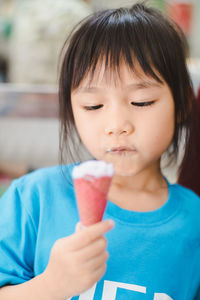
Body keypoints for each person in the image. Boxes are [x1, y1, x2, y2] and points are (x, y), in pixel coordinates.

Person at [0, 3, 200, 299]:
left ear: (182, 103)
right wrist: (50, 285)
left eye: (141, 101)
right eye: (93, 106)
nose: (116, 125)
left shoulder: (194, 222)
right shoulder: (34, 197)